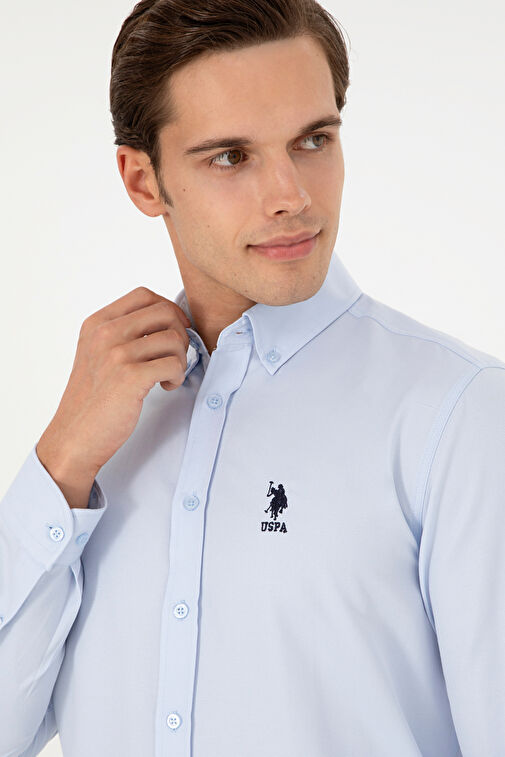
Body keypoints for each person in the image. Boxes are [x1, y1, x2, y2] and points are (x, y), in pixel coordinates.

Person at [1, 1, 504, 755]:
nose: (291, 194)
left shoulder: (459, 415)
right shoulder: (104, 425)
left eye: (313, 140)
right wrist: (62, 463)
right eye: (231, 157)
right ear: (142, 181)